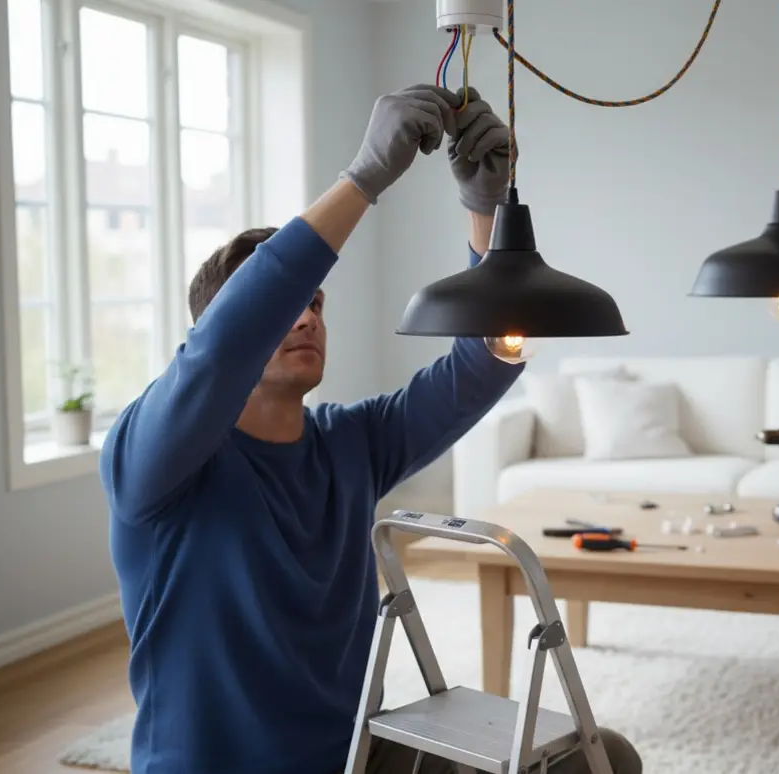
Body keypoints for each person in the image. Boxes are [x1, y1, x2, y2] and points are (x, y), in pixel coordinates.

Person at [99, 84, 643, 774]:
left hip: (361, 757)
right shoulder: (151, 460)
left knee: (604, 761)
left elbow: (489, 361)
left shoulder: (349, 442)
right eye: (285, 305)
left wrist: (487, 215)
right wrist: (362, 179)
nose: (305, 317)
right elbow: (219, 351)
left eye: (315, 304)